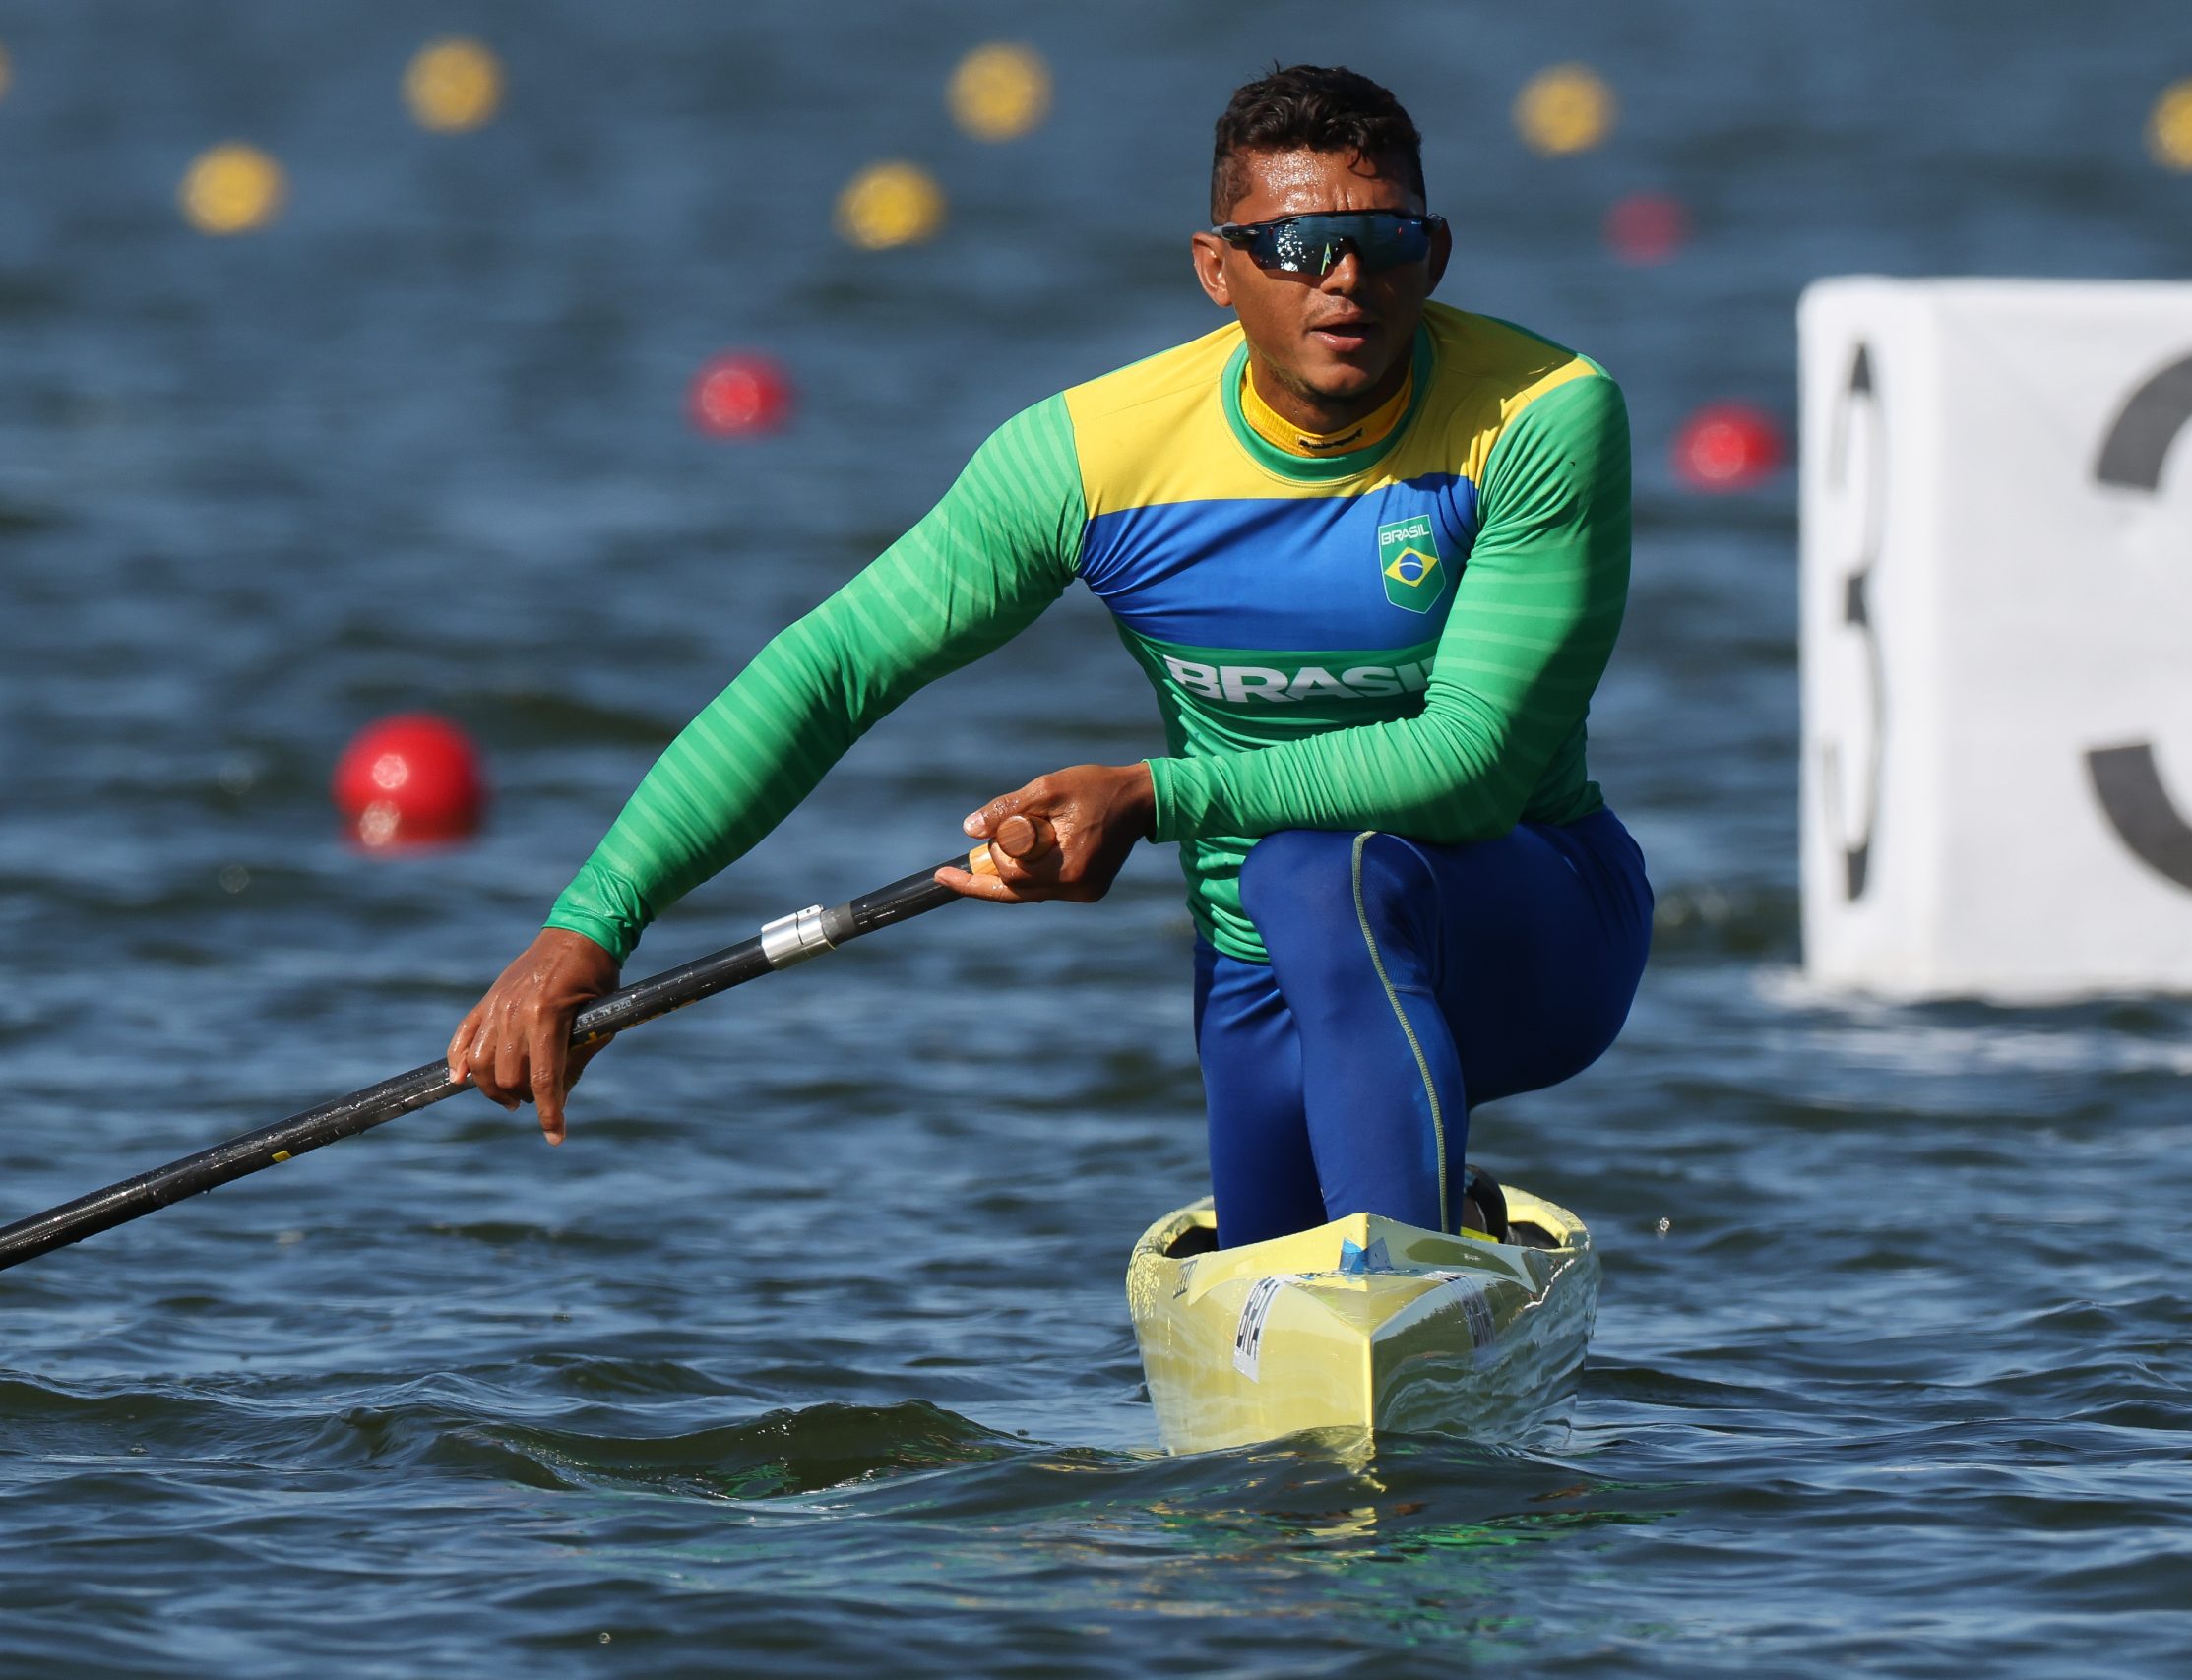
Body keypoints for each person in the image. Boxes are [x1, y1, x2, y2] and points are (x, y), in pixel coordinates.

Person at [447, 64, 1653, 1249]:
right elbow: (830, 670)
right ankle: (1413, 1233)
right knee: (1279, 950)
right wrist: (589, 927)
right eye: (1295, 244)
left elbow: (1479, 763)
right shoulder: (1090, 456)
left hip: (1535, 921)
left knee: (1308, 870)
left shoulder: (1542, 414)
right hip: (1257, 975)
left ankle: (1409, 1272)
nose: (1344, 278)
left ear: (1433, 257)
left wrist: (1148, 797)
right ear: (1216, 269)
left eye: (1382, 238)